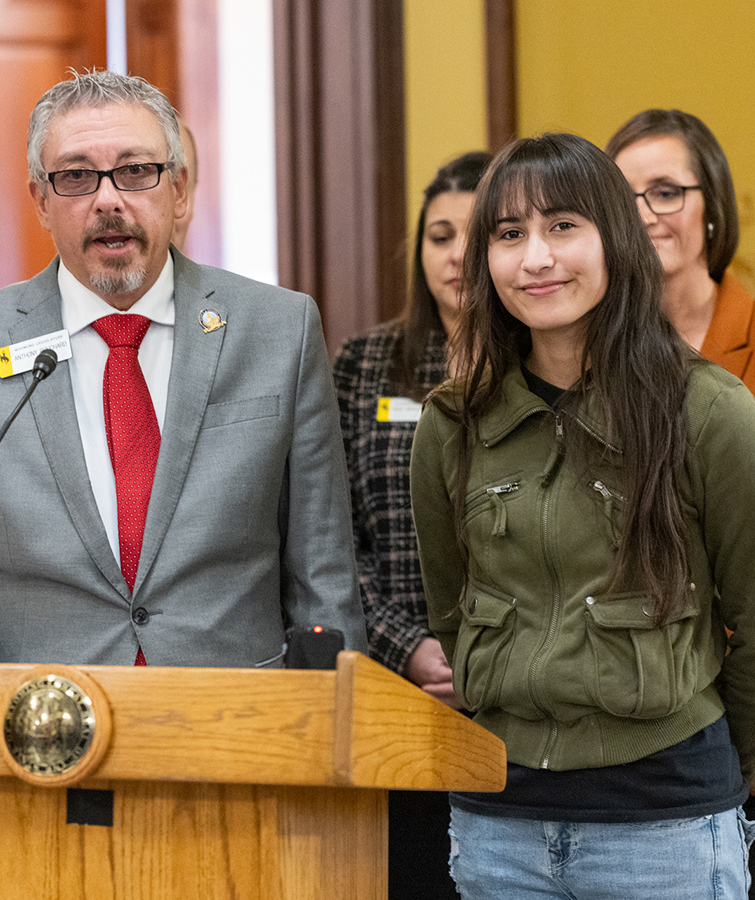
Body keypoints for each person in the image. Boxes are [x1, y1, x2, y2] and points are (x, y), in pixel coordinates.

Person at [408, 133, 755, 899]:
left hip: (664, 829)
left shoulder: (708, 411)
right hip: (499, 827)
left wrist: (711, 776)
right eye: (508, 234)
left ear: (615, 240)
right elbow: (454, 614)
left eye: (564, 226)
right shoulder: (450, 425)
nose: (536, 258)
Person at [0, 70, 364, 665]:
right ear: (41, 201)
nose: (108, 200)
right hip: (36, 734)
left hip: (237, 733)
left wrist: (328, 735)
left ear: (180, 189)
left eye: (136, 171)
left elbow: (324, 577)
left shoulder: (279, 331)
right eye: (77, 177)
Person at [608, 109, 755, 900]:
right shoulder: (587, 356)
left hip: (740, 727)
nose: (644, 214)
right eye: (624, 195)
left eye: (666, 191)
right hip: (608, 723)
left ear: (713, 207)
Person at [332, 150, 489, 900]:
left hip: (519, 696)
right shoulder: (365, 363)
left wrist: (484, 655)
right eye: (439, 235)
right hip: (393, 690)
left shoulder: (552, 361)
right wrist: (409, 647)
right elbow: (326, 534)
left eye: (478, 231)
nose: (457, 254)